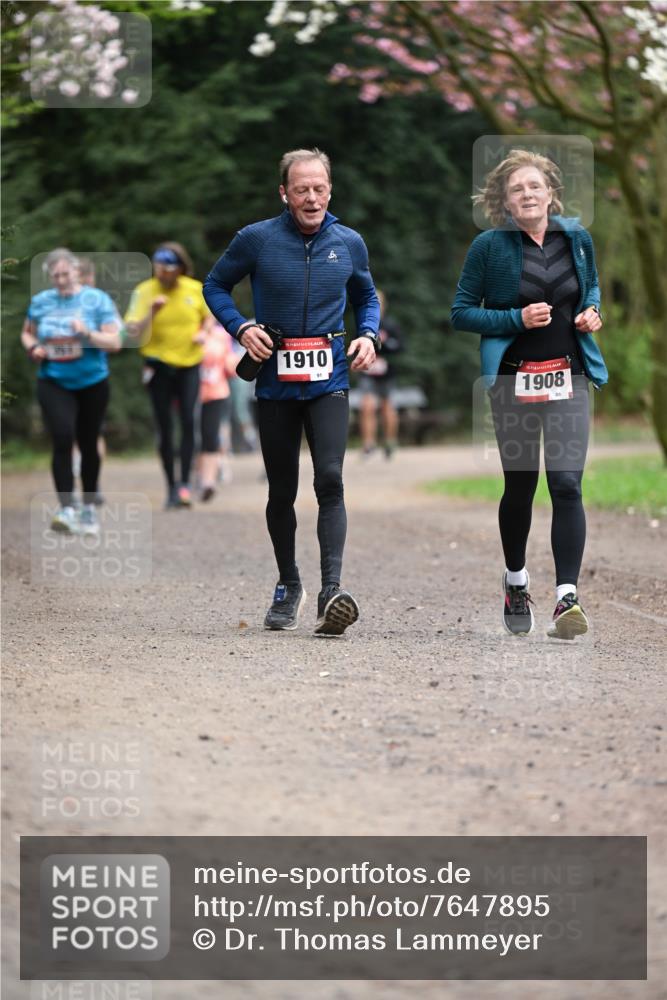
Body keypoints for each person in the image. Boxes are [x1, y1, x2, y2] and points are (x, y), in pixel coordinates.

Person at [204, 147, 380, 635]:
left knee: (330, 478)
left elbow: (365, 295)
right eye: (301, 188)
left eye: (319, 188)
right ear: (284, 193)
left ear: (330, 190)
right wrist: (240, 328)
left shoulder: (349, 242)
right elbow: (215, 286)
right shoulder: (256, 239)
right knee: (282, 489)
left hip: (329, 381)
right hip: (276, 381)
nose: (311, 197)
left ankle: (332, 591)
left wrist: (368, 333)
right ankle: (288, 583)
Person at [451, 150, 607, 640]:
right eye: (517, 189)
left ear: (551, 193)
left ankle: (567, 598)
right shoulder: (489, 247)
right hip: (514, 380)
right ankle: (516, 581)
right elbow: (461, 312)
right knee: (521, 485)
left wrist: (592, 313)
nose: (528, 195)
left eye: (535, 186)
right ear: (504, 201)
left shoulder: (577, 239)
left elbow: (592, 291)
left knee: (566, 484)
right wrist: (515, 319)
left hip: (569, 377)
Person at [21, 247, 121, 534]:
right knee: (62, 437)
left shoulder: (97, 300)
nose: (62, 279)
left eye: (66, 273)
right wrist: (34, 347)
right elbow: (27, 332)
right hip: (54, 380)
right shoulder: (40, 302)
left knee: (89, 443)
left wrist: (87, 333)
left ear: (76, 272)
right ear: (49, 276)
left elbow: (115, 343)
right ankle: (66, 509)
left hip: (92, 381)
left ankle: (88, 508)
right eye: (56, 275)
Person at [124, 243, 212, 509]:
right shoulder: (144, 291)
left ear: (180, 268)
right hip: (157, 365)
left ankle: (185, 485)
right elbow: (132, 332)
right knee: (165, 427)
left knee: (188, 421)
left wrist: (204, 332)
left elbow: (208, 318)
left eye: (168, 269)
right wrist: (152, 311)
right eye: (158, 268)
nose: (162, 274)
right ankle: (171, 487)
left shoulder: (194, 289)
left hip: (189, 364)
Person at [358, 289, 403, 458]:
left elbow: (401, 347)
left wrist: (386, 344)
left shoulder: (391, 325)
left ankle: (390, 442)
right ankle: (368, 444)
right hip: (368, 372)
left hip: (387, 373)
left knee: (387, 408)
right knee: (367, 407)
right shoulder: (362, 323)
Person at [196, 321, 238, 501]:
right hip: (190, 393)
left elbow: (230, 363)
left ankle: (208, 482)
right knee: (194, 436)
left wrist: (234, 364)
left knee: (211, 434)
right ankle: (197, 476)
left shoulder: (222, 335)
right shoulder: (188, 331)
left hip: (216, 392)